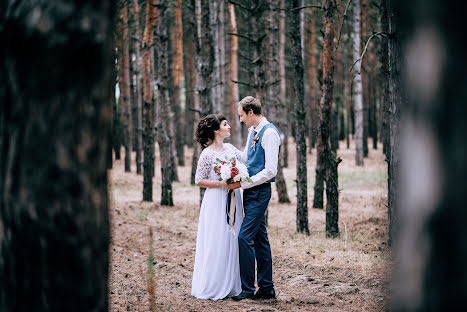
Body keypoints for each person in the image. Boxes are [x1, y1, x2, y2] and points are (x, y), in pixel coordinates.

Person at [191, 114, 245, 300]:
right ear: (216, 130)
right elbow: (199, 180)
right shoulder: (207, 154)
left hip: (234, 198)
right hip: (216, 200)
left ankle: (233, 284)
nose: (229, 126)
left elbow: (244, 160)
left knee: (234, 236)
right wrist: (223, 184)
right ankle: (215, 284)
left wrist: (239, 176)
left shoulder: (231, 149)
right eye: (225, 124)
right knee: (218, 239)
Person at [230, 96, 279, 300]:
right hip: (249, 192)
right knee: (260, 239)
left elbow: (270, 170)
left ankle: (247, 289)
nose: (241, 120)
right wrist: (225, 153)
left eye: (242, 115)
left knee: (244, 237)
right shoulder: (253, 132)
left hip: (260, 192)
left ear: (251, 112)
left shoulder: (270, 134)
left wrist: (244, 183)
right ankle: (267, 288)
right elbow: (246, 157)